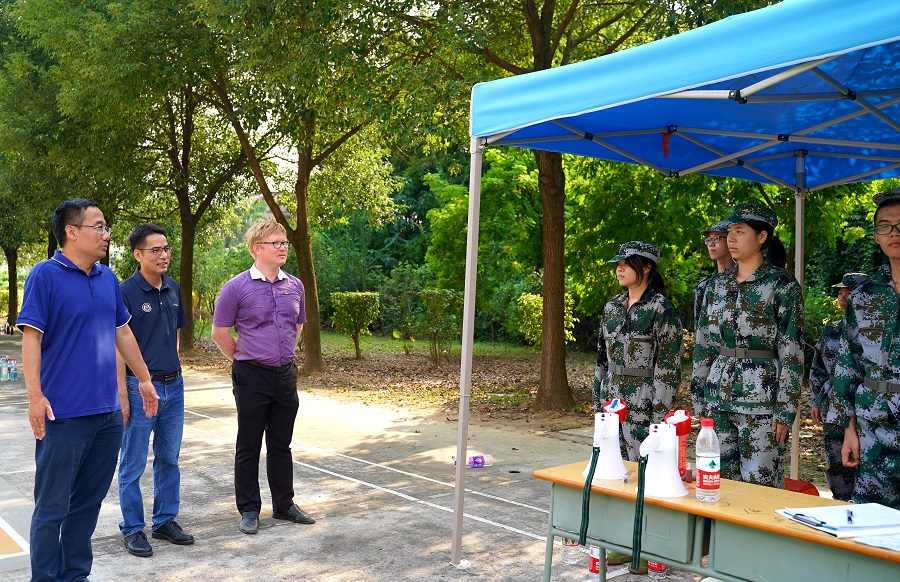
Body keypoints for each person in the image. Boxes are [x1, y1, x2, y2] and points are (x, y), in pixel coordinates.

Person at [18, 198, 157, 582]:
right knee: (52, 508)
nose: (106, 234)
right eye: (99, 226)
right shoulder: (45, 275)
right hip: (62, 414)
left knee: (88, 505)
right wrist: (35, 397)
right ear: (71, 231)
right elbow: (32, 338)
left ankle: (75, 575)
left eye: (106, 227)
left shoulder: (107, 278)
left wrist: (144, 379)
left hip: (107, 415)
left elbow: (122, 332)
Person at [211, 220, 315, 534]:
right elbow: (220, 333)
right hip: (251, 376)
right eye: (276, 243)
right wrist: (244, 360)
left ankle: (284, 505)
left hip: (285, 376)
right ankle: (249, 509)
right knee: (249, 445)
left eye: (284, 243)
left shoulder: (295, 285)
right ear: (257, 248)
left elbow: (297, 325)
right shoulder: (236, 287)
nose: (283, 248)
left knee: (281, 445)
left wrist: (283, 354)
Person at [690, 203, 804, 489]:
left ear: (762, 237)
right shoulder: (716, 285)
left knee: (759, 488)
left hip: (762, 405)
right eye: (729, 232)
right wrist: (699, 398)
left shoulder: (782, 285)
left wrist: (785, 410)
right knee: (718, 484)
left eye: (739, 232)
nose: (730, 238)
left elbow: (792, 351)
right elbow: (703, 345)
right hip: (717, 400)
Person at [593, 241, 682, 574]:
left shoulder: (661, 309)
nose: (619, 268)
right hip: (612, 402)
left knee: (646, 474)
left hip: (645, 404)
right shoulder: (612, 307)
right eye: (617, 263)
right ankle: (621, 542)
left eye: (626, 263)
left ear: (646, 268)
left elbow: (668, 367)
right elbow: (601, 358)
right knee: (614, 472)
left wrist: (660, 417)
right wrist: (598, 402)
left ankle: (646, 548)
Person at [117, 224, 193, 557]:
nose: (163, 255)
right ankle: (133, 528)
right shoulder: (124, 292)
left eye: (166, 249)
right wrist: (122, 393)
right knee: (133, 462)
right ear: (138, 255)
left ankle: (164, 521)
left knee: (168, 458)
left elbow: (174, 333)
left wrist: (172, 370)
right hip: (138, 388)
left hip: (174, 386)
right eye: (155, 250)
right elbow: (117, 346)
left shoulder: (173, 288)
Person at [830, 188, 900, 508]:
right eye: (885, 226)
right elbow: (848, 365)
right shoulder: (863, 296)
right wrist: (849, 429)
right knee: (872, 519)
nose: (894, 232)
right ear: (876, 236)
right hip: (873, 429)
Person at [809, 272, 866, 501]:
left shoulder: (872, 331)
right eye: (840, 292)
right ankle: (841, 503)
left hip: (864, 404)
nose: (842, 297)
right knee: (836, 461)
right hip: (832, 405)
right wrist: (815, 400)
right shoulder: (831, 329)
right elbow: (818, 367)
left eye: (848, 292)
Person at [694, 220, 734, 329]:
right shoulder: (704, 286)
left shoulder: (746, 280)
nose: (711, 244)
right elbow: (700, 329)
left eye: (717, 238)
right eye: (708, 240)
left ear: (731, 240)